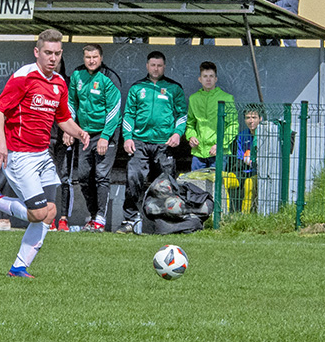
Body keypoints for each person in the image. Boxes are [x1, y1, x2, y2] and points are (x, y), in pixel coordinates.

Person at [0, 29, 90, 278]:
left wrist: (80, 133)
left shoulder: (59, 83)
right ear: (37, 52)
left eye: (57, 53)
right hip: (20, 155)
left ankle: (19, 267)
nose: (52, 58)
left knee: (50, 212)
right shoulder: (23, 77)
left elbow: (63, 118)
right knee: (37, 213)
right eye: (48, 52)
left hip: (42, 154)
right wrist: (1, 144)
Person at [120, 51, 187, 234]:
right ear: (147, 66)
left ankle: (166, 222)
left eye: (159, 65)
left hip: (164, 144)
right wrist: (127, 137)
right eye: (153, 65)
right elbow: (129, 114)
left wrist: (177, 134)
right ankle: (130, 220)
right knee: (133, 178)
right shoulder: (137, 87)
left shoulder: (174, 88)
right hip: (139, 142)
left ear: (164, 67)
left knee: (166, 184)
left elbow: (182, 115)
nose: (156, 69)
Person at [68, 44, 122, 233]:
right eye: (88, 57)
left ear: (101, 57)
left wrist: (105, 137)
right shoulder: (77, 74)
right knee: (83, 177)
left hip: (106, 133)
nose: (91, 61)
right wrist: (70, 129)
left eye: (95, 57)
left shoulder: (109, 77)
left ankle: (100, 218)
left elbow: (114, 110)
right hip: (84, 134)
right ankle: (93, 216)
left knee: (101, 176)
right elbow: (71, 102)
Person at [186, 61, 235, 171]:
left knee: (215, 182)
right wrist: (191, 137)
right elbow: (190, 124)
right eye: (205, 76)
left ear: (216, 79)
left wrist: (220, 144)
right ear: (200, 79)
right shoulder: (193, 99)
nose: (208, 79)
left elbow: (233, 125)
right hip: (198, 153)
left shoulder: (227, 98)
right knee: (195, 182)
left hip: (218, 153)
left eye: (211, 76)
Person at [48, 59, 74, 232]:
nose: (53, 64)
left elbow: (74, 108)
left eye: (56, 61)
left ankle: (63, 218)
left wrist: (70, 130)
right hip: (46, 138)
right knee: (47, 179)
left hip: (65, 137)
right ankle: (48, 217)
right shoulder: (40, 80)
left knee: (64, 178)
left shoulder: (69, 82)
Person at [231, 105, 262, 213]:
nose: (251, 121)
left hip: (259, 171)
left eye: (254, 117)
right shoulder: (242, 135)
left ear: (260, 119)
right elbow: (240, 156)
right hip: (245, 170)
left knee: (249, 184)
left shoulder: (265, 134)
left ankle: (245, 215)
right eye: (248, 118)